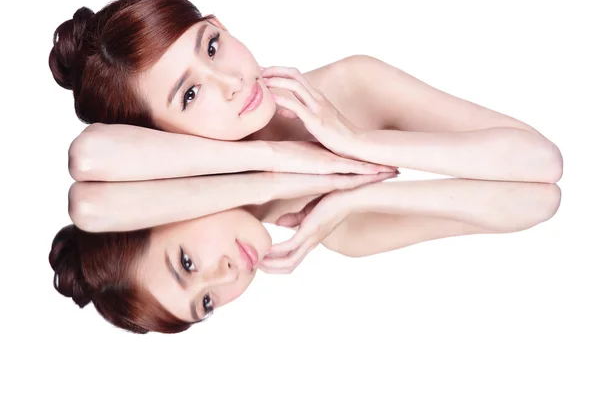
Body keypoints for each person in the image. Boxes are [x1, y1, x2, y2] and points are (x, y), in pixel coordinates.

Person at [49, 0, 562, 184]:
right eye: (188, 95)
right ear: (157, 134)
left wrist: (354, 141)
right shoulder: (216, 236)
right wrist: (276, 155)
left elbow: (541, 160)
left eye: (211, 46)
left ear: (221, 24)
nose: (230, 82)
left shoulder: (352, 82)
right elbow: (90, 156)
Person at [51, 171, 560, 334]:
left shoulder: (308, 95)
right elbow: (539, 201)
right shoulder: (349, 236)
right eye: (206, 304)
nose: (224, 277)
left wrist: (283, 165)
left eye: (188, 264)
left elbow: (543, 164)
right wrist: (359, 197)